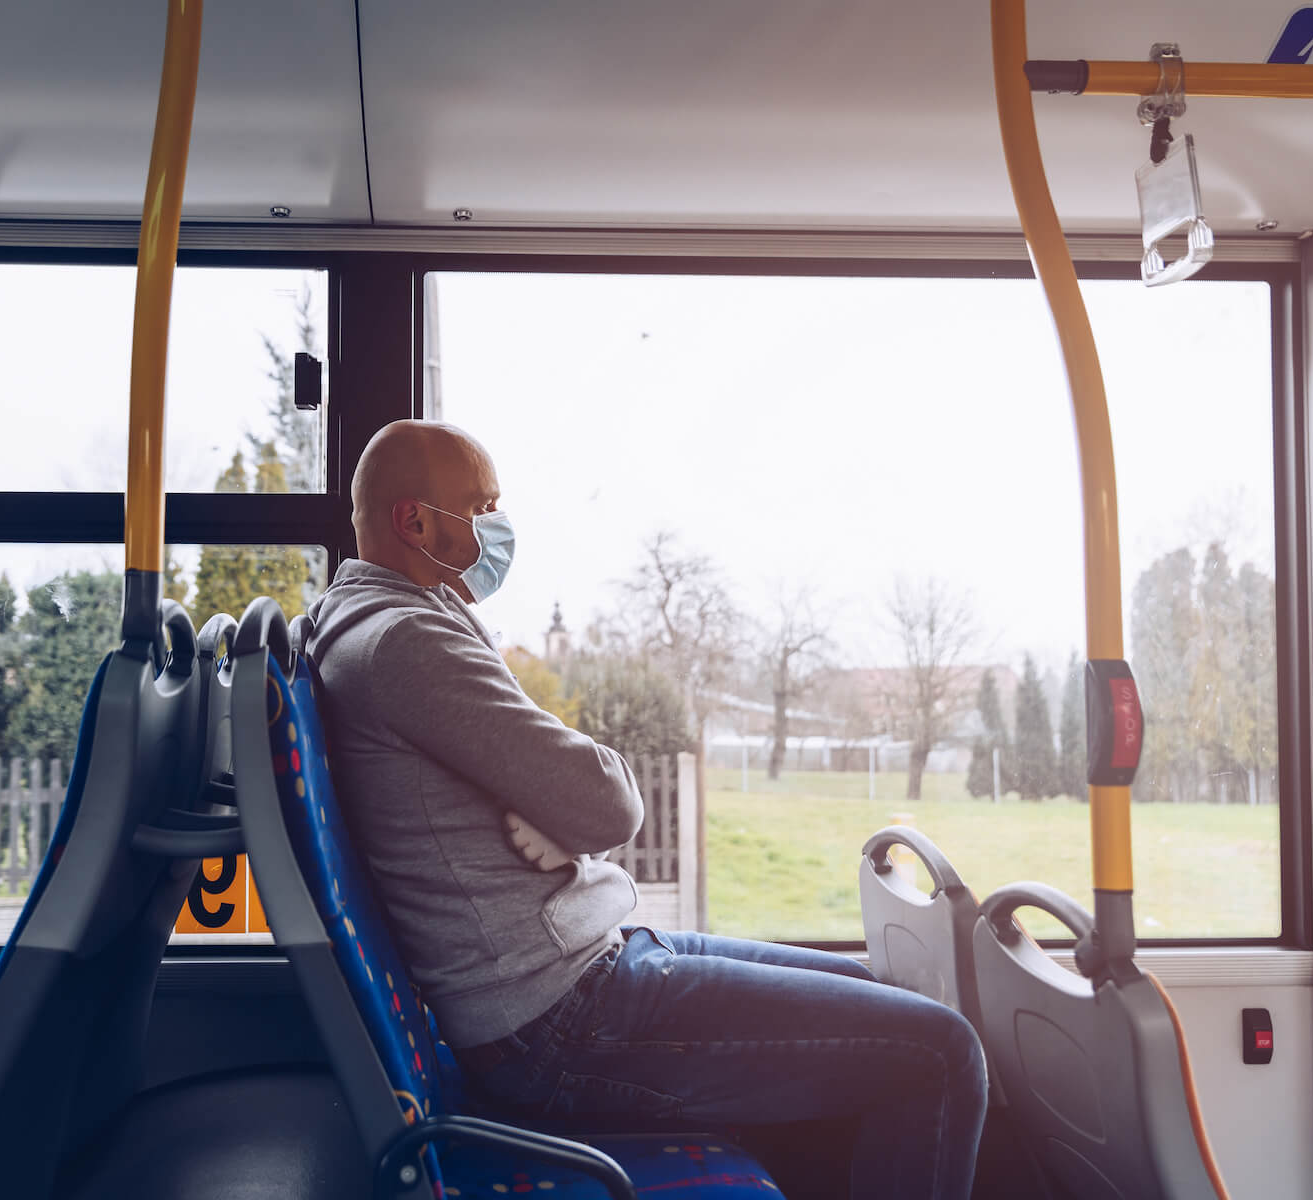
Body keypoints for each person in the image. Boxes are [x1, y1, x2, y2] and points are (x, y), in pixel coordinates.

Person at [305, 419, 987, 1200]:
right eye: (482, 504)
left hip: (589, 960)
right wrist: (568, 814)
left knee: (877, 990)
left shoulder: (377, 619)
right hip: (559, 1020)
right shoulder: (403, 644)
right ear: (415, 522)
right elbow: (608, 801)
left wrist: (558, 812)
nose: (498, 525)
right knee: (943, 1053)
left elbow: (565, 794)